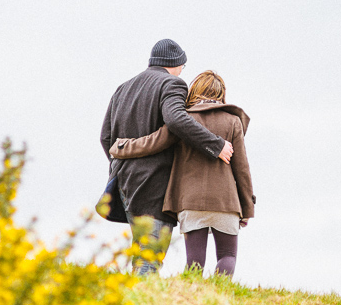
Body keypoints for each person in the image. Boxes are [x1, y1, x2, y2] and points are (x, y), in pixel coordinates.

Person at [100, 39, 234, 275]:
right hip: (154, 185)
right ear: (176, 63)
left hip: (123, 182)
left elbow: (106, 137)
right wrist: (216, 144)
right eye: (183, 66)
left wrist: (122, 163)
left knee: (141, 250)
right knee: (150, 257)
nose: (183, 71)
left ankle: (135, 299)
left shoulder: (123, 88)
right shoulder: (173, 83)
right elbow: (176, 120)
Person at [111, 70, 254, 278]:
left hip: (190, 202)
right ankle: (219, 293)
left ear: (194, 91)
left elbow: (152, 143)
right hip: (227, 203)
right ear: (221, 93)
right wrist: (247, 207)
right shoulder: (233, 122)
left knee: (194, 260)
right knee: (227, 256)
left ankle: (194, 295)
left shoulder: (182, 121)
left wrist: (120, 147)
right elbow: (242, 169)